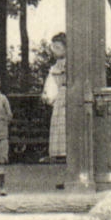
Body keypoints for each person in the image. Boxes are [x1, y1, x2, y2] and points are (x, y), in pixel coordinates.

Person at [43, 33, 68, 162]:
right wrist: (47, 94)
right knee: (58, 123)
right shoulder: (56, 65)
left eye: (58, 47)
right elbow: (51, 81)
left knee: (65, 123)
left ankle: (66, 152)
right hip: (59, 96)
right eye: (54, 47)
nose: (55, 50)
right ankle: (58, 152)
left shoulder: (69, 64)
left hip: (66, 95)